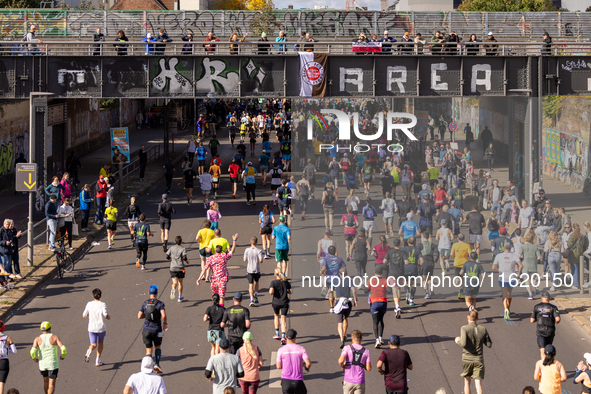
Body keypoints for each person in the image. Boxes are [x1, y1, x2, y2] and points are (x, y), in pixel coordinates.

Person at [454, 310, 492, 394]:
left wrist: (458, 340)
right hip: (478, 359)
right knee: (478, 385)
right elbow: (489, 344)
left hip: (467, 359)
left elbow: (463, 343)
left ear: (467, 317)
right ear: (477, 318)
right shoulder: (483, 329)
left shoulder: (464, 328)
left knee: (467, 382)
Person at [31, 321, 67, 394]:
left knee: (45, 382)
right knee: (51, 385)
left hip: (43, 365)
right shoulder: (54, 337)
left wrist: (34, 358)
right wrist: (63, 355)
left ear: (41, 330)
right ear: (50, 329)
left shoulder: (37, 339)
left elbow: (32, 351)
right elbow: (63, 348)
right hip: (52, 364)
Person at [138, 285, 167, 374]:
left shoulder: (145, 303)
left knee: (148, 350)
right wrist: (165, 324)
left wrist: (146, 316)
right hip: (158, 329)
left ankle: (148, 367)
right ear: (157, 293)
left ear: (149, 293)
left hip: (146, 330)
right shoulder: (160, 303)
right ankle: (157, 364)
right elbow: (164, 315)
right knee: (158, 346)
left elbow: (139, 316)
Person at [493, 243, 523, 320]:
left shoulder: (499, 256)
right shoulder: (514, 256)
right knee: (509, 294)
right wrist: (518, 273)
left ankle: (506, 309)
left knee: (504, 295)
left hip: (502, 278)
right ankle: (508, 309)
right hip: (512, 278)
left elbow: (494, 267)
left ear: (503, 248)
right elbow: (521, 265)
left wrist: (499, 267)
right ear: (510, 249)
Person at [276, 329, 311, 394]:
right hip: (298, 381)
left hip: (286, 382)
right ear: (295, 338)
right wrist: (307, 368)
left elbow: (278, 366)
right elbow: (308, 363)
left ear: (286, 337)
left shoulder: (280, 350)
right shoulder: (301, 349)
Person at [82, 288, 110, 367]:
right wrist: (108, 317)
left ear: (92, 296)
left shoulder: (89, 304)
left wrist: (88, 314)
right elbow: (105, 315)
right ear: (100, 296)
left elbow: (84, 315)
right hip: (101, 328)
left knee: (93, 344)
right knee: (100, 343)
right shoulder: (103, 304)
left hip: (91, 328)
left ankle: (90, 350)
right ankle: (97, 360)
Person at [338, 329, 371, 394]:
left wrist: (343, 366)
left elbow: (340, 360)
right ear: (361, 338)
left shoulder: (347, 348)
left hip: (348, 380)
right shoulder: (366, 352)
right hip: (359, 381)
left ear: (352, 338)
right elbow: (368, 368)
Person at [530, 291, 561, 361]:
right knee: (548, 350)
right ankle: (549, 364)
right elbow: (558, 319)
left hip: (540, 331)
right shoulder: (554, 307)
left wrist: (538, 318)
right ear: (549, 298)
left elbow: (532, 320)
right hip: (550, 331)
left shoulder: (536, 307)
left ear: (541, 298)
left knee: (542, 350)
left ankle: (544, 367)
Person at [333, 267, 358, 349]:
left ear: (339, 274)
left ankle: (341, 338)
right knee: (345, 319)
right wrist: (355, 300)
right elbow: (354, 291)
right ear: (346, 274)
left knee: (339, 323)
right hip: (347, 303)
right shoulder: (349, 280)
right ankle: (344, 334)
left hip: (339, 302)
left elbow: (333, 290)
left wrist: (335, 298)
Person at [269, 267, 292, 345]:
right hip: (284, 302)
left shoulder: (273, 282)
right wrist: (285, 292)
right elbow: (290, 291)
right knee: (283, 319)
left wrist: (274, 292)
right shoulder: (285, 282)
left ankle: (276, 333)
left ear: (275, 274)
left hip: (276, 302)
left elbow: (270, 292)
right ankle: (283, 336)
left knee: (276, 316)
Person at [166, 236, 189, 303]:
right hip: (180, 268)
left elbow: (167, 256)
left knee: (174, 282)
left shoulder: (171, 248)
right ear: (181, 242)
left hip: (173, 267)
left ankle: (173, 288)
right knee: (180, 282)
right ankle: (180, 296)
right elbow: (184, 257)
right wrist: (187, 261)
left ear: (175, 242)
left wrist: (170, 259)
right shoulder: (183, 249)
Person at [244, 236, 263, 307]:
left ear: (250, 242)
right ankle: (256, 294)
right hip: (256, 269)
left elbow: (244, 259)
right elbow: (261, 260)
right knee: (256, 282)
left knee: (250, 284)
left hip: (249, 269)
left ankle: (251, 299)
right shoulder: (259, 250)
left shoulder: (247, 250)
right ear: (257, 242)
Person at [451, 233, 471, 300]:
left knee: (457, 279)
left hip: (457, 263)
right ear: (464, 239)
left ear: (457, 238)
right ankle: (462, 290)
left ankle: (460, 289)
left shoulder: (454, 245)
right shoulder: (467, 245)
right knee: (463, 278)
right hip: (465, 264)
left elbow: (452, 254)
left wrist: (455, 257)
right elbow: (470, 254)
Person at [568, 223, 585, 289]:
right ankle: (579, 282)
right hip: (580, 254)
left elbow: (569, 244)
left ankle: (576, 284)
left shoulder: (573, 236)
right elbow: (583, 244)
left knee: (574, 269)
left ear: (573, 228)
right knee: (579, 269)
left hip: (574, 255)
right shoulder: (582, 236)